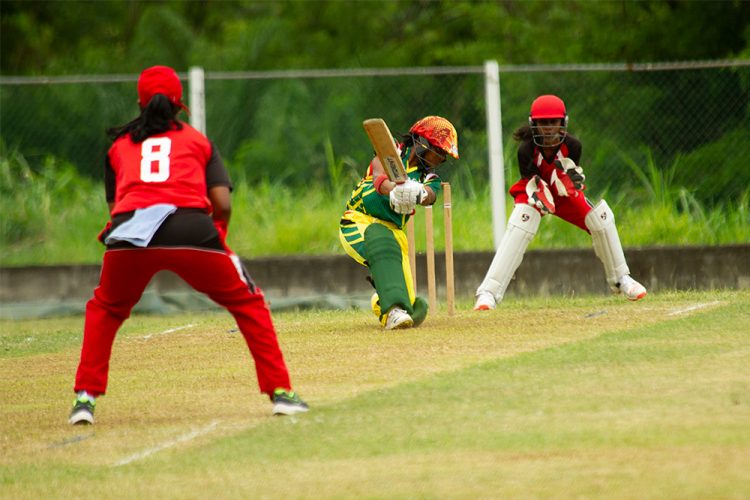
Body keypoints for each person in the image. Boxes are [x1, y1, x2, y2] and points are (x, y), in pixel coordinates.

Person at [69, 65, 308, 425]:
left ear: (139, 102)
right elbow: (222, 203)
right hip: (190, 228)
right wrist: (217, 238)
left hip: (129, 232)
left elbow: (117, 207)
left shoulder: (119, 146)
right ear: (180, 103)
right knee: (249, 303)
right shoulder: (197, 141)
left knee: (105, 309)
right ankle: (281, 393)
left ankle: (84, 399)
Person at [474, 94, 647, 310]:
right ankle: (488, 292)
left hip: (562, 192)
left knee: (600, 219)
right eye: (543, 123)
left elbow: (569, 175)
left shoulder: (573, 145)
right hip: (534, 190)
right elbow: (530, 181)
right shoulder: (526, 150)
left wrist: (567, 179)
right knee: (522, 221)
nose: (548, 128)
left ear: (562, 123)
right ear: (533, 124)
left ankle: (623, 279)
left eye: (552, 122)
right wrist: (540, 190)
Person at [339, 116, 459, 329]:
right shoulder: (391, 151)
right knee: (380, 239)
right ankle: (393, 309)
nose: (440, 159)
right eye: (438, 151)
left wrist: (418, 193)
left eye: (444, 155)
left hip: (395, 234)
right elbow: (378, 175)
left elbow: (431, 195)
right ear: (422, 144)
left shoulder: (430, 177)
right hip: (359, 221)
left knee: (411, 307)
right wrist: (394, 191)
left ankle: (387, 303)